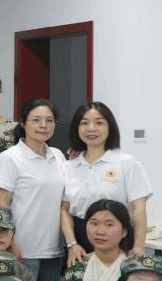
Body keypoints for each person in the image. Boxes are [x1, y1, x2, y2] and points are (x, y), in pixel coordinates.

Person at [0, 98, 66, 281]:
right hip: (23, 250)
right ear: (23, 123)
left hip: (53, 250)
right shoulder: (10, 157)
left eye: (49, 120)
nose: (43, 125)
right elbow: (2, 205)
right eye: (36, 120)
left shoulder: (58, 156)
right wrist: (10, 243)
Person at [61, 101, 152, 257]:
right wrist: (72, 244)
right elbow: (64, 210)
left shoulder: (126, 163)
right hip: (80, 243)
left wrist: (138, 247)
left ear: (110, 127)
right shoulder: (69, 166)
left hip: (118, 239)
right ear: (77, 128)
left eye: (99, 123)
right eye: (84, 123)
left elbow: (139, 209)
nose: (91, 128)